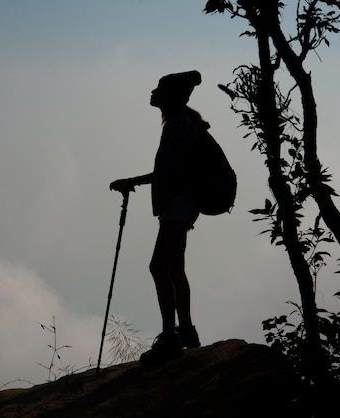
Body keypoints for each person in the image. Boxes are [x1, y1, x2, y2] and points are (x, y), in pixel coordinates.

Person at [110, 70, 205, 366]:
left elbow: (170, 172)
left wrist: (132, 181)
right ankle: (186, 330)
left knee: (158, 266)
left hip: (178, 205)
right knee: (175, 268)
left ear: (174, 96)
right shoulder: (181, 123)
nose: (153, 92)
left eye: (159, 89)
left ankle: (170, 337)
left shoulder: (179, 126)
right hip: (179, 205)